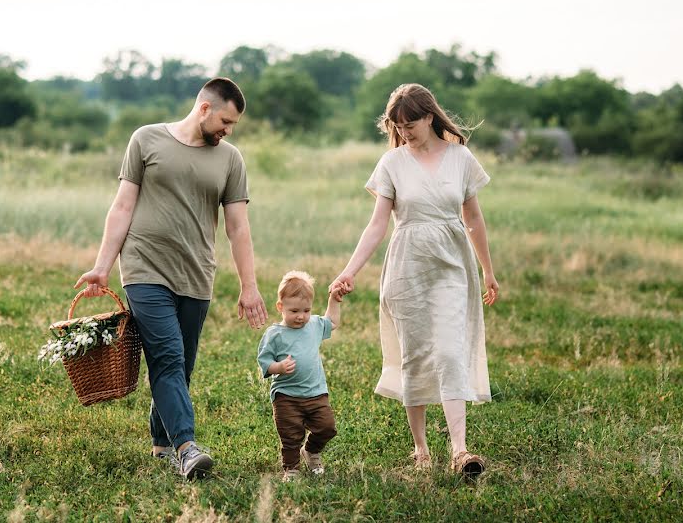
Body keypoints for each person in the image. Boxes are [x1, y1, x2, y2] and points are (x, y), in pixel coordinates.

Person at [75, 77, 269, 481]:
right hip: (145, 269)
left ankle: (161, 443)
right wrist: (102, 265)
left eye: (233, 125)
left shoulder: (230, 159)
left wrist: (249, 287)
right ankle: (186, 447)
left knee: (181, 366)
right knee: (166, 357)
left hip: (196, 275)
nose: (228, 130)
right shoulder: (146, 140)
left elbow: (238, 227)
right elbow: (123, 206)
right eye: (225, 121)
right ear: (204, 108)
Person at [329, 83, 499, 478]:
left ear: (429, 116)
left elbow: (473, 218)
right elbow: (377, 225)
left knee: (450, 352)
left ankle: (460, 451)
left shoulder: (460, 158)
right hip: (406, 267)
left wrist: (488, 270)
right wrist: (349, 270)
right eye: (397, 124)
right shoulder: (392, 164)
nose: (405, 130)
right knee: (416, 355)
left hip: (452, 266)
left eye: (411, 122)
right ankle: (421, 449)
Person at [257, 271, 341, 482]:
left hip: (316, 392)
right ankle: (291, 468)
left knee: (327, 427)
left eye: (306, 310)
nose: (301, 316)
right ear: (280, 307)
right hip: (286, 395)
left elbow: (332, 322)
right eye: (294, 310)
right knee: (290, 435)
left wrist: (333, 300)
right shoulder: (274, 334)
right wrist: (279, 367)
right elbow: (264, 362)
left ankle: (311, 450)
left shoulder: (313, 325)